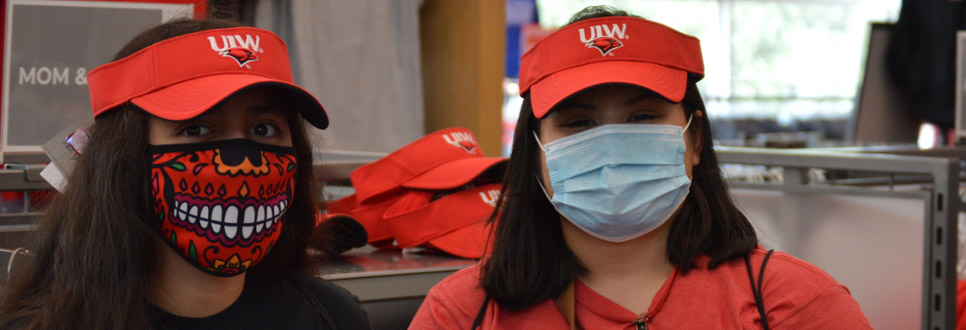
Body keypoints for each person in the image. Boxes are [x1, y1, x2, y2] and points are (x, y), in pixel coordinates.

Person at [410, 6, 872, 329]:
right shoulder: (463, 312)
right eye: (579, 123)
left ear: (694, 139)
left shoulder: (791, 303)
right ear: (535, 154)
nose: (611, 143)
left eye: (642, 117)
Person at [0, 19, 370, 330]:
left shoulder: (333, 319)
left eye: (263, 129)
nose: (241, 164)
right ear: (122, 158)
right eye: (195, 129)